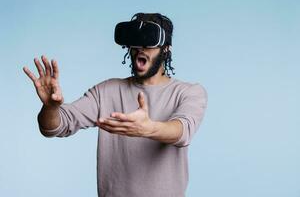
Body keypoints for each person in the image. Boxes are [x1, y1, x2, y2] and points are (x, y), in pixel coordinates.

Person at [23, 13, 208, 197]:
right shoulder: (106, 91)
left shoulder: (189, 92)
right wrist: (50, 107)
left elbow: (183, 130)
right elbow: (55, 127)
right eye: (134, 41)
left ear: (166, 49)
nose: (139, 48)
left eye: (148, 41)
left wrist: (148, 128)